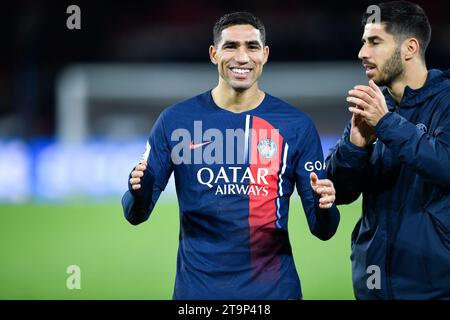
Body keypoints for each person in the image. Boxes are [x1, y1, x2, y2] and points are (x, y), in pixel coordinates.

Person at [122, 12, 340, 300]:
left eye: (251, 47)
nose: (241, 57)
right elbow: (135, 214)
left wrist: (325, 207)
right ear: (214, 54)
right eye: (230, 47)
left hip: (274, 293)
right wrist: (139, 189)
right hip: (198, 295)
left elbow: (323, 230)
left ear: (265, 54)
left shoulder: (296, 126)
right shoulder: (176, 121)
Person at [326, 1, 450, 299]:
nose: (362, 53)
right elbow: (340, 193)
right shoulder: (372, 105)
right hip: (373, 286)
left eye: (374, 42)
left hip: (435, 289)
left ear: (409, 48)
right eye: (363, 42)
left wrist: (386, 124)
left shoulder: (444, 102)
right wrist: (354, 146)